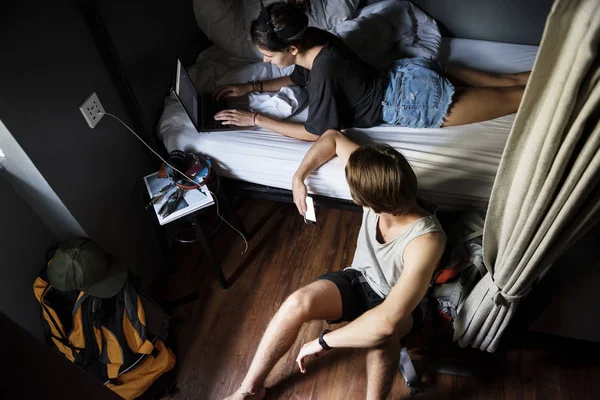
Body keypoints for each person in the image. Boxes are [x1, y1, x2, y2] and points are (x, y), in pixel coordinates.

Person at [224, 130, 447, 399]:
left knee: (382, 340)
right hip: (360, 279)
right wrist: (299, 176)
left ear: (375, 202)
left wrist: (322, 342)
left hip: (399, 306)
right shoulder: (376, 177)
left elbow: (388, 321)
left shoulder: (426, 239)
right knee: (298, 302)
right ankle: (250, 389)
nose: (354, 199)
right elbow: (332, 137)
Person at [213, 1, 531, 142]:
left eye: (268, 55)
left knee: (521, 99)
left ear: (291, 49)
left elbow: (315, 133)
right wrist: (251, 87)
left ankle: (580, 90)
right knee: (515, 81)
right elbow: (297, 77)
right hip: (410, 73)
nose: (267, 61)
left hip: (412, 102)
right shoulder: (316, 39)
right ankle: (571, 68)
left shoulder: (324, 70)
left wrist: (256, 119)